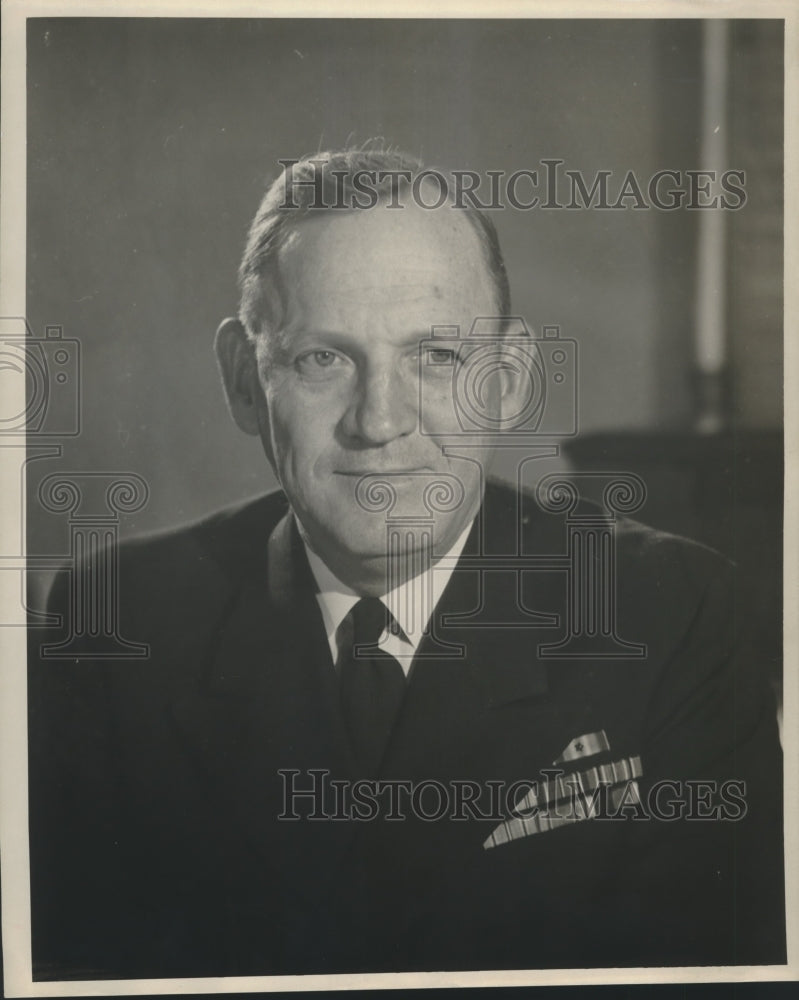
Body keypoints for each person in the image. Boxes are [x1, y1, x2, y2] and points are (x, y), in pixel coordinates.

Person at [28, 147, 785, 980]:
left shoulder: (672, 612)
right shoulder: (117, 622)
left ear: (508, 378)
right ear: (245, 381)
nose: (379, 420)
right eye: (324, 358)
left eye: (436, 357)